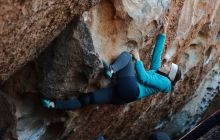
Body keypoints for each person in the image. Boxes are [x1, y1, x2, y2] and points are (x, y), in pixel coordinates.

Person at [41, 17, 182, 110]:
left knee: (127, 57)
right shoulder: (159, 73)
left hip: (132, 89)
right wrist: (163, 33)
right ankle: (54, 105)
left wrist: (138, 60)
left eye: (169, 66)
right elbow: (156, 56)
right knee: (88, 99)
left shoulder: (165, 83)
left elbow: (144, 78)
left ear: (170, 74)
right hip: (122, 96)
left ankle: (112, 70)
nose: (166, 64)